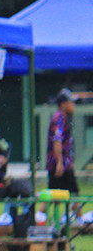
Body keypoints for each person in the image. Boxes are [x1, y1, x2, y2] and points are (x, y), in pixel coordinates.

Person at [45, 88, 83, 220]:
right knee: (55, 196)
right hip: (60, 164)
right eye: (70, 102)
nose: (73, 105)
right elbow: (57, 141)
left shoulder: (64, 117)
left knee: (69, 193)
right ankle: (41, 219)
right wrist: (60, 163)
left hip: (64, 163)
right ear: (63, 104)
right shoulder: (58, 118)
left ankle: (79, 220)